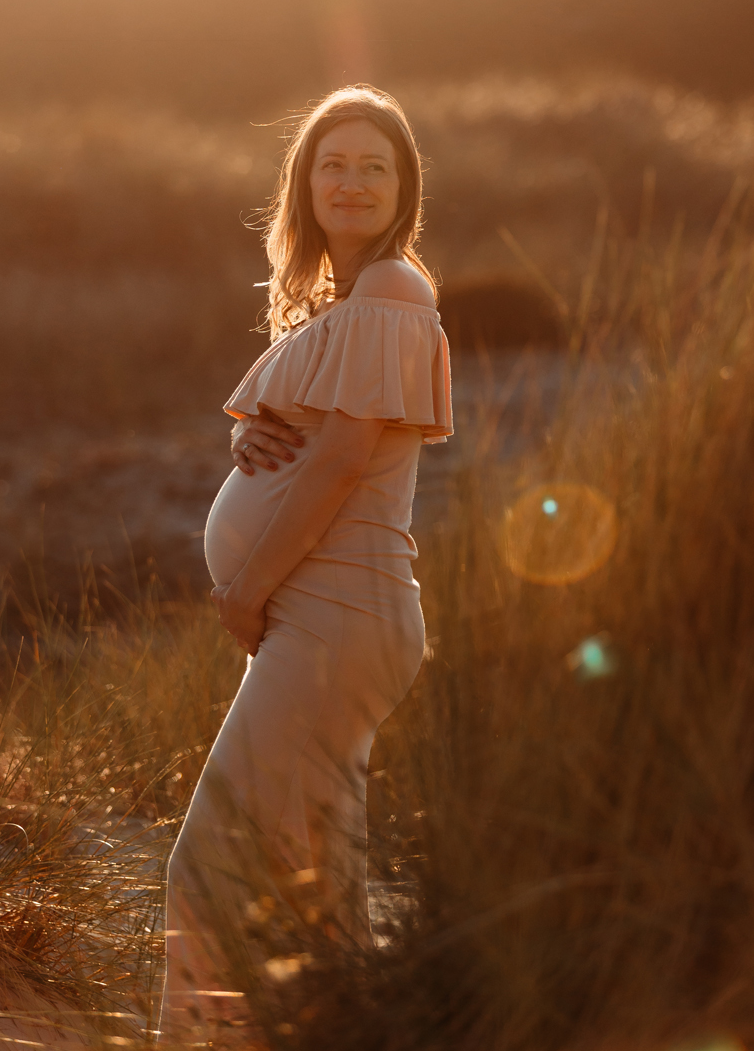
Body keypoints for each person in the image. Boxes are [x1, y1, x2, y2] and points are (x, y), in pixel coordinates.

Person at [159, 86, 452, 1040]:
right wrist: (247, 444)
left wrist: (245, 590)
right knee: (309, 890)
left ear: (404, 188)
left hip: (337, 614)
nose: (352, 182)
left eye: (374, 167)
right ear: (306, 183)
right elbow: (308, 438)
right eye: (334, 164)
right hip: (328, 617)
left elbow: (339, 464)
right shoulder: (346, 298)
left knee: (211, 867)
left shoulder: (393, 288)